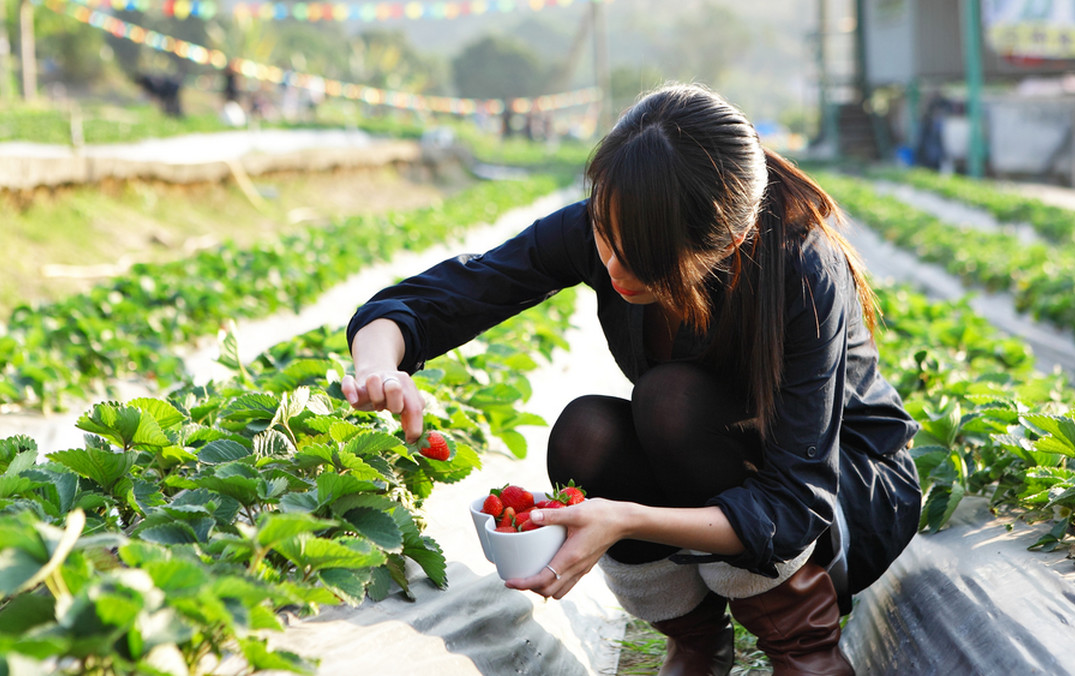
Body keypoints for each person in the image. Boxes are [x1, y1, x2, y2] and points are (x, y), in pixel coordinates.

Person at [342, 83, 921, 676]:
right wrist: (379, 368)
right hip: (735, 478)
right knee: (585, 434)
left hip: (842, 494)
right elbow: (445, 296)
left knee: (670, 400)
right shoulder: (614, 225)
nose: (615, 269)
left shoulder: (799, 269)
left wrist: (625, 518)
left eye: (645, 258)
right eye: (605, 238)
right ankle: (696, 645)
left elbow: (797, 502)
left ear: (730, 243)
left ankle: (807, 652)